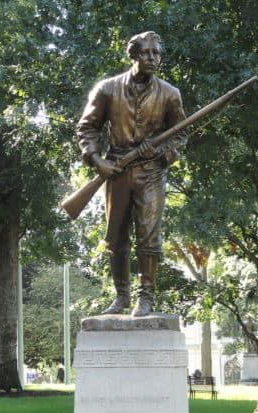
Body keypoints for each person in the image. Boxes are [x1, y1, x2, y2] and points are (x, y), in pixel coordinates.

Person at [77, 31, 186, 317]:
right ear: (134, 55)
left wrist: (163, 152)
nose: (153, 58)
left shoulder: (170, 94)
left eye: (157, 53)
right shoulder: (107, 89)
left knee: (149, 237)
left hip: (151, 173)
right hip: (117, 170)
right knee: (116, 238)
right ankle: (121, 296)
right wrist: (96, 159)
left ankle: (146, 296)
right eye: (147, 53)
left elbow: (180, 134)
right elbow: (87, 127)